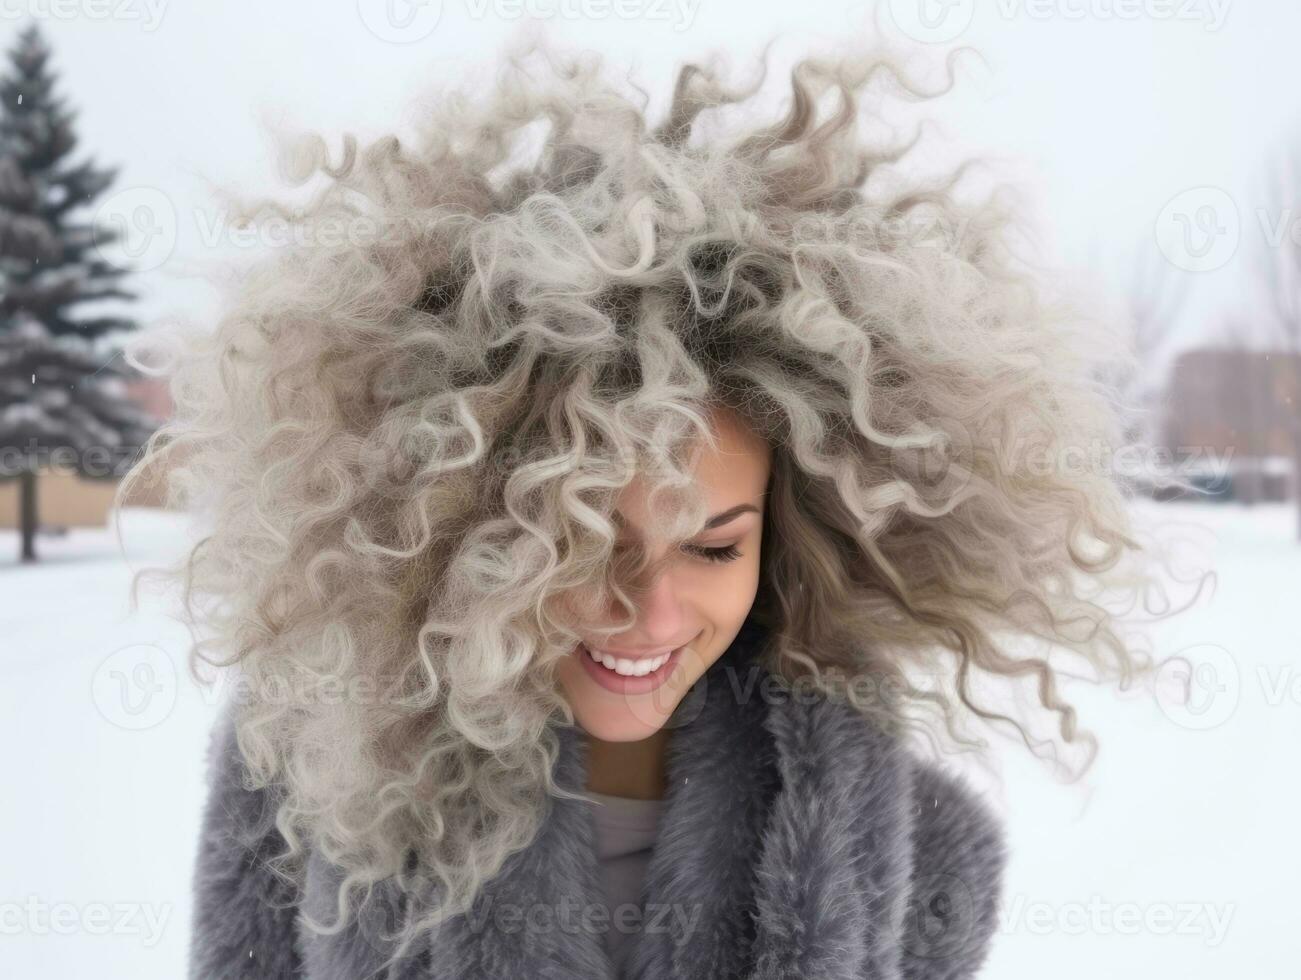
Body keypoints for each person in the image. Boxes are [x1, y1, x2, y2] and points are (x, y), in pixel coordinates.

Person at [122, 30, 1168, 980]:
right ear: (470, 531)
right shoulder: (318, 771)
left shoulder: (910, 856)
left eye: (712, 548)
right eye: (583, 544)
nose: (652, 612)